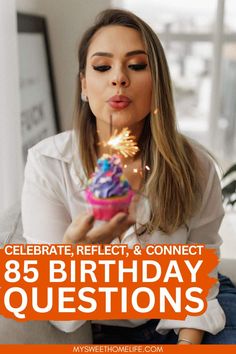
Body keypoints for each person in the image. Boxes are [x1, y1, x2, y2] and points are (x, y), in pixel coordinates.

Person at [21, 8, 236, 344]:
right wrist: (73, 258)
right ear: (84, 85)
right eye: (102, 67)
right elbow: (58, 312)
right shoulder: (49, 164)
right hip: (105, 330)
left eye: (136, 66)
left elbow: (198, 283)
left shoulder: (196, 167)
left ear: (158, 84)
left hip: (191, 315)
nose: (118, 78)